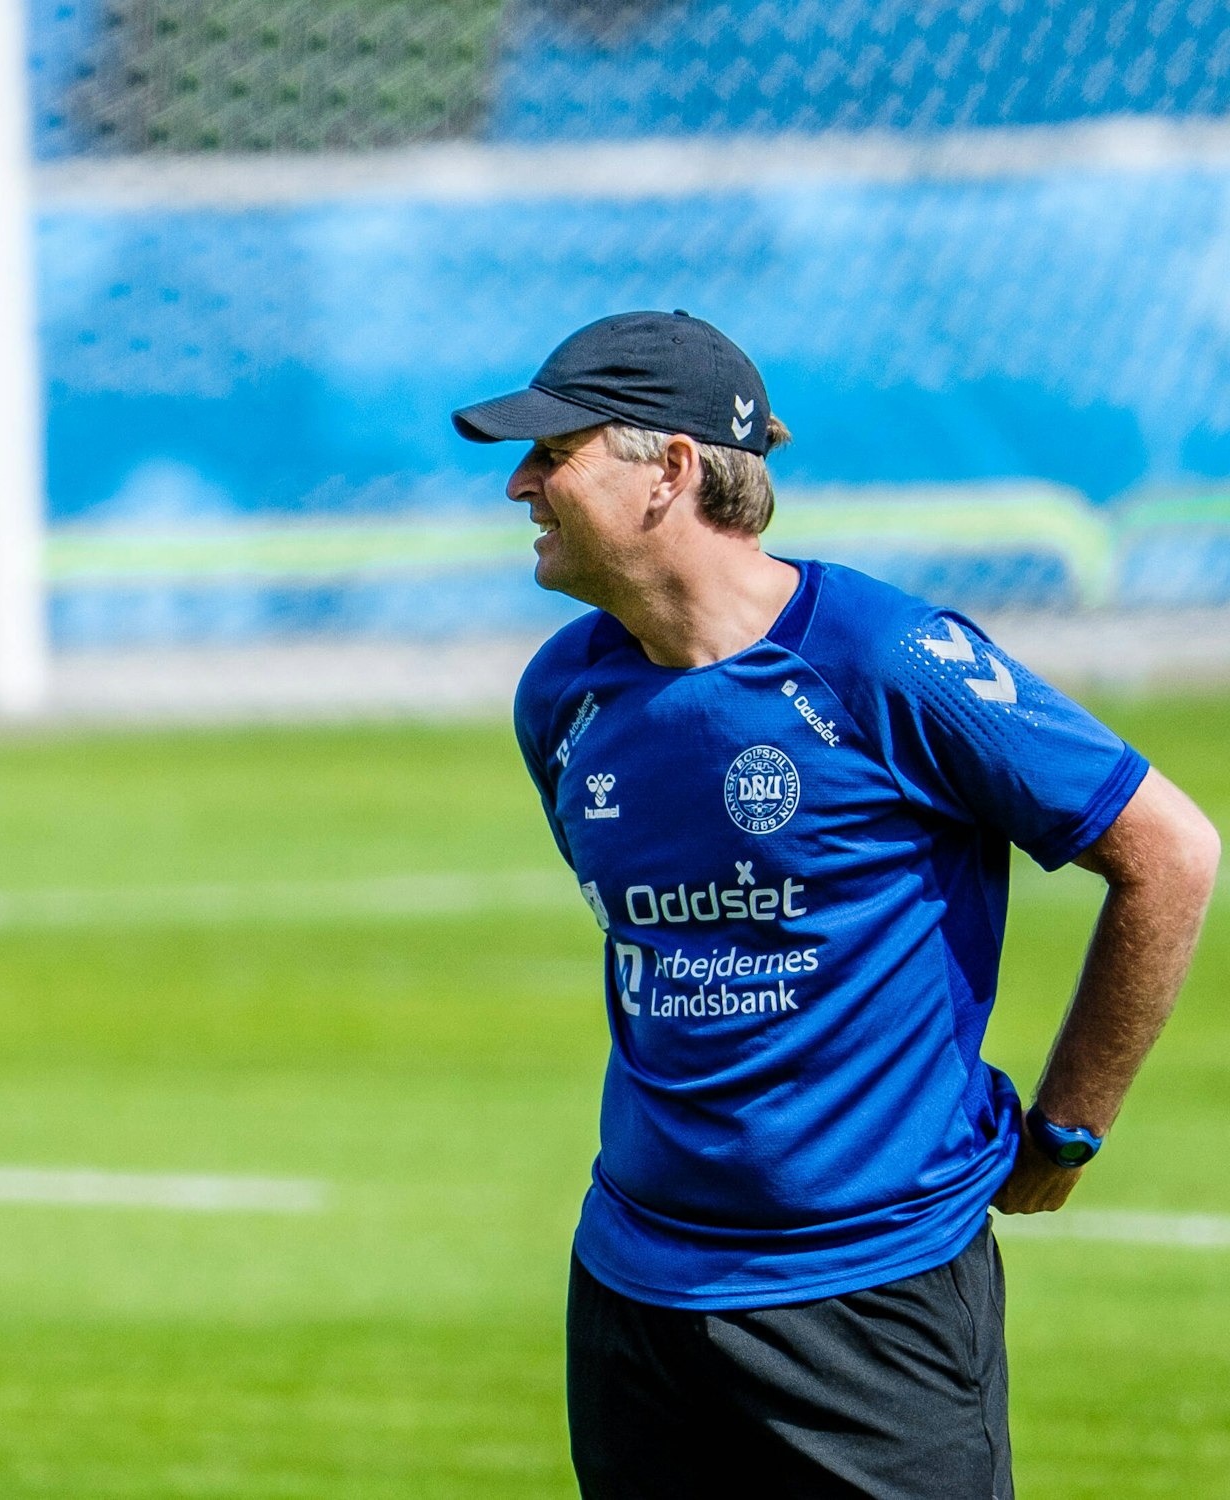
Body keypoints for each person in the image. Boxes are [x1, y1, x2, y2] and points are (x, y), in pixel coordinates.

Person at [451, 311, 1218, 1498]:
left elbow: (1168, 852)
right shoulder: (561, 696)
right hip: (631, 1295)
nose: (517, 485)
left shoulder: (883, 659)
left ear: (670, 469)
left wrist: (1066, 1130)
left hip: (869, 1304)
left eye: (552, 454)